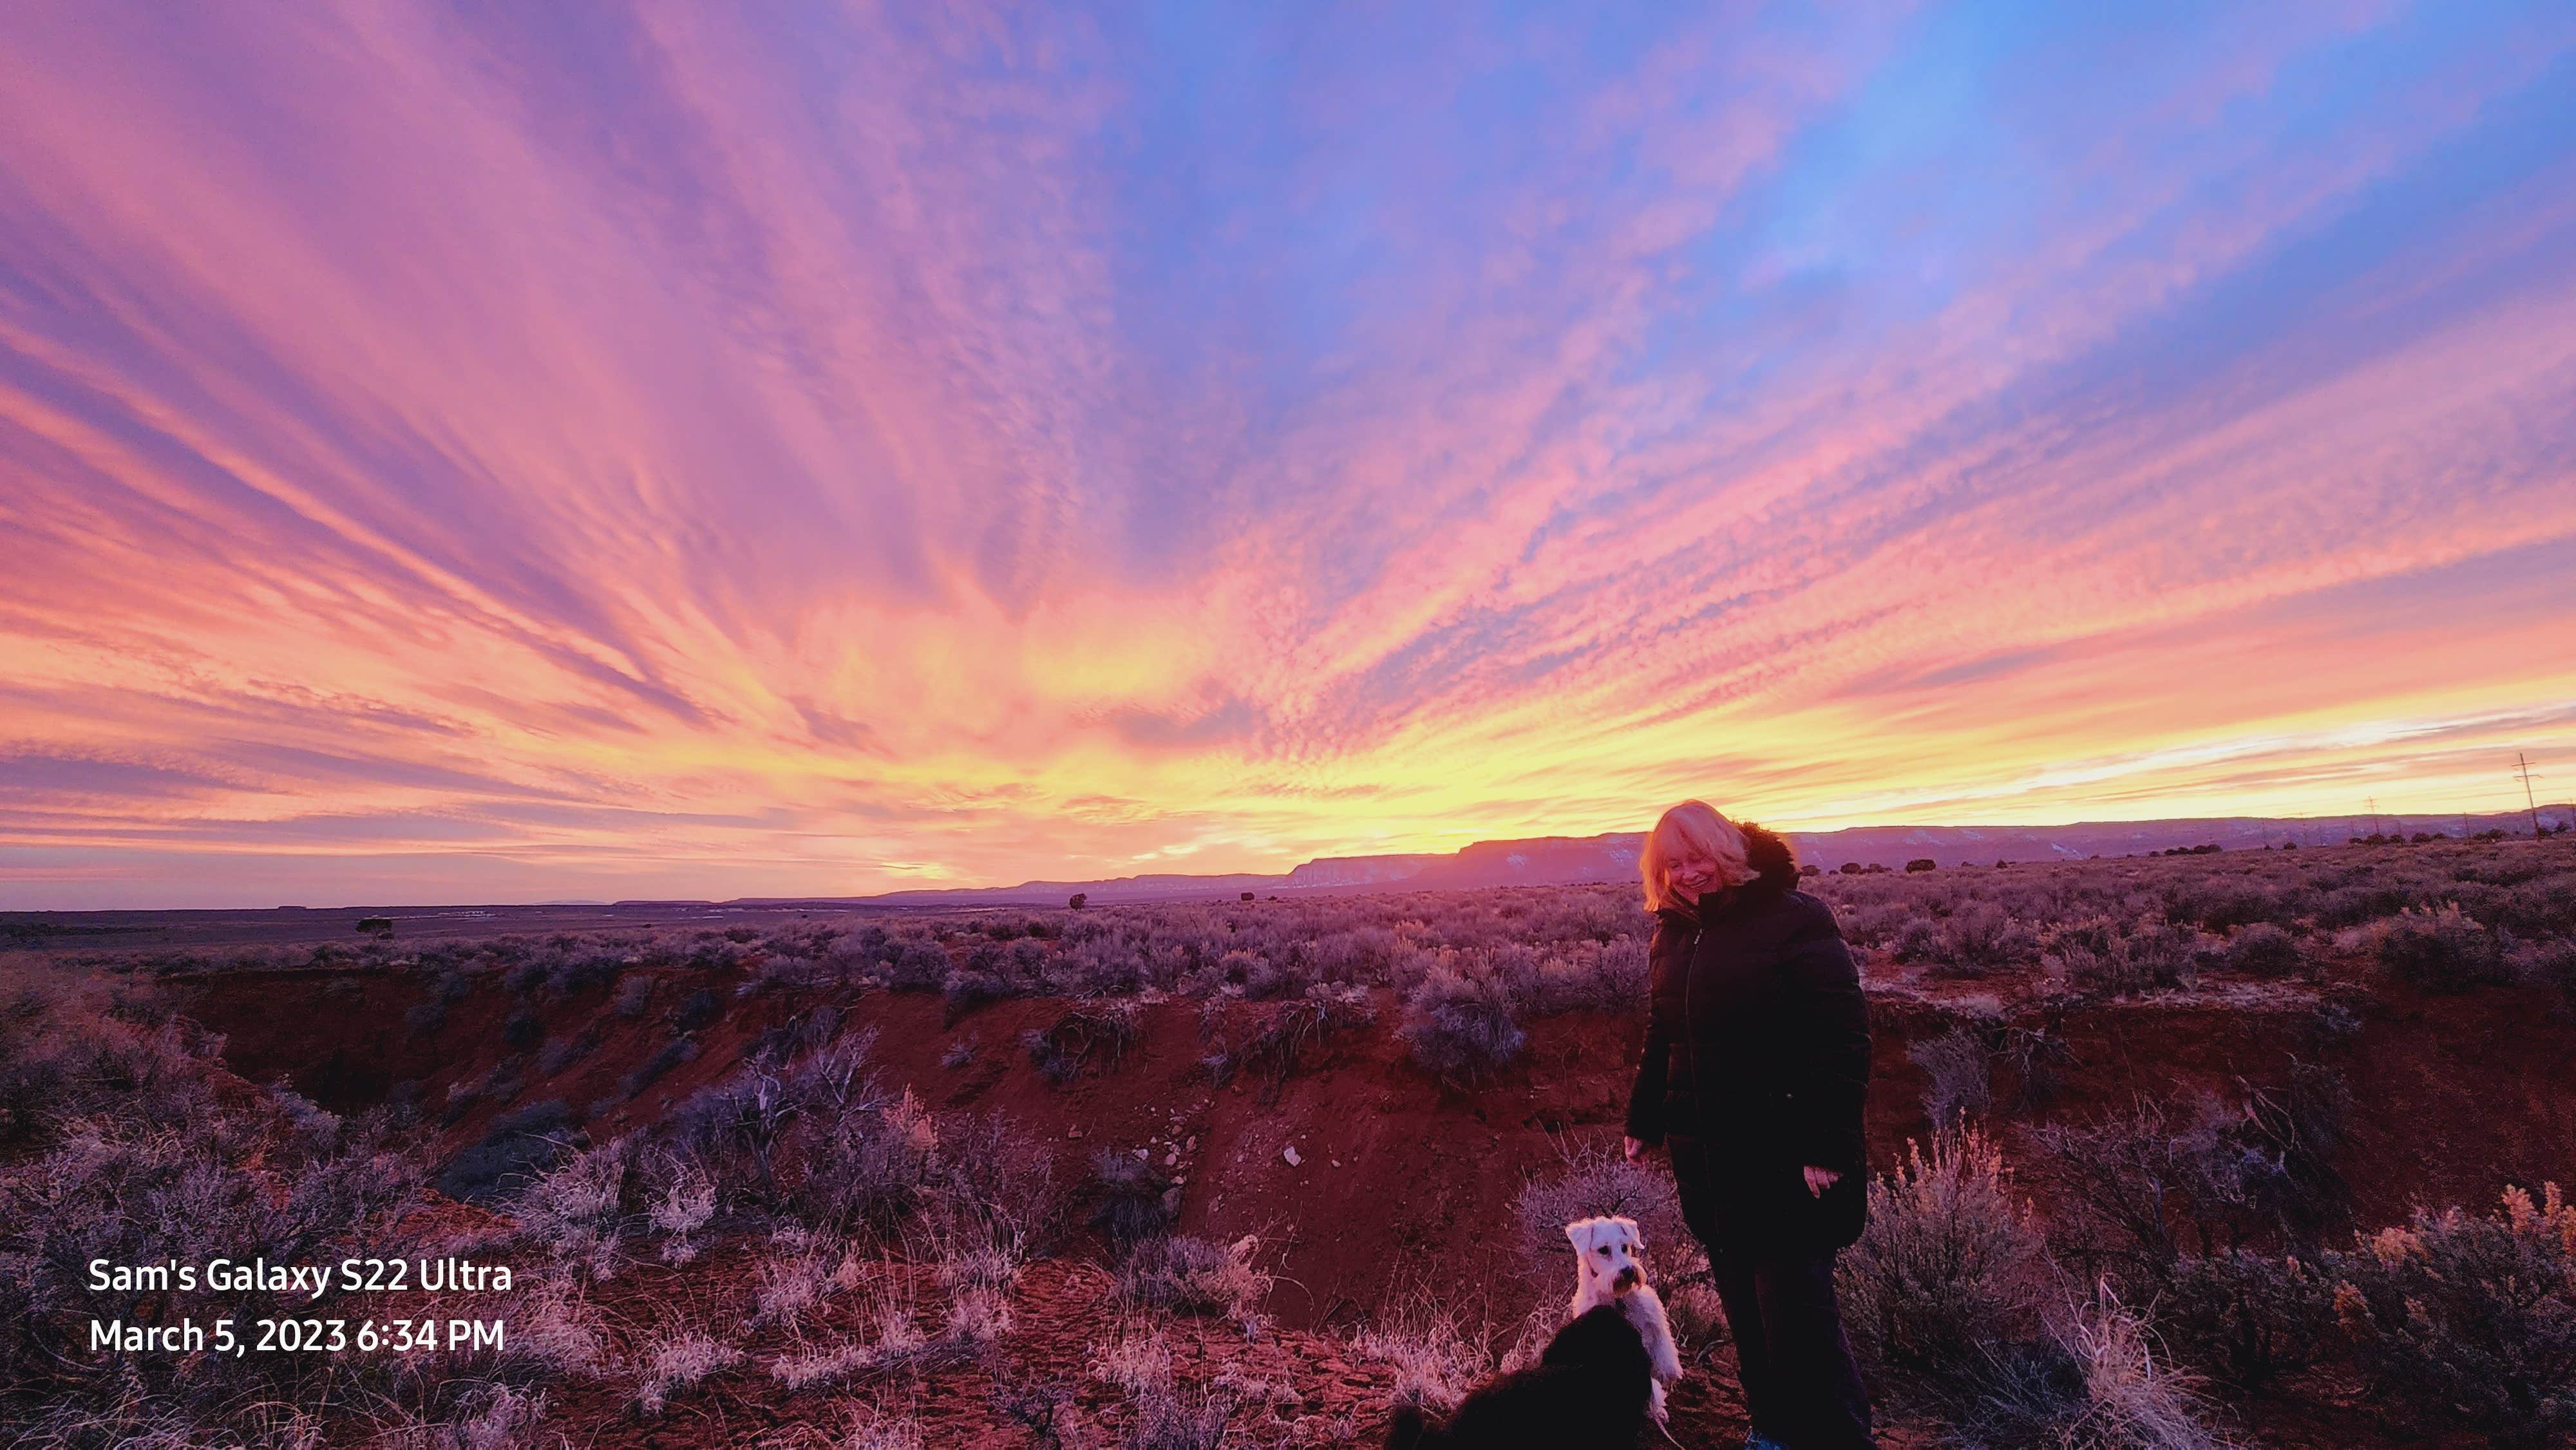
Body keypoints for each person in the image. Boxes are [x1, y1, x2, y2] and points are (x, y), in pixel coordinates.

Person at [1623, 800, 1875, 1450]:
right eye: (1672, 863)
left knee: (1800, 1319)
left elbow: (1840, 1037)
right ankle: (1773, 1432)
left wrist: (1825, 1141)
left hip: (1785, 1157)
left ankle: (1841, 1439)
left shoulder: (1793, 919)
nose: (1687, 873)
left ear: (1727, 850)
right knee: (1746, 1311)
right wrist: (1645, 1117)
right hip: (1710, 1160)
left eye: (1697, 857)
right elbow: (1664, 1035)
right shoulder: (1673, 932)